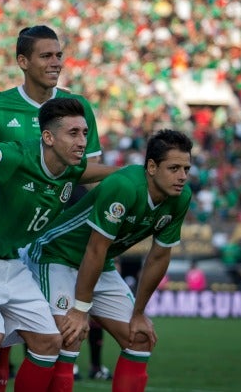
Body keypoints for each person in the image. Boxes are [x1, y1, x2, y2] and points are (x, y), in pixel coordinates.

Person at [0, 97, 117, 392]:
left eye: (84, 133)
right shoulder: (14, 156)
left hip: (10, 261)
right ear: (48, 137)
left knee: (49, 341)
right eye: (73, 133)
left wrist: (136, 174)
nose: (82, 141)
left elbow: (92, 172)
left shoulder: (69, 169)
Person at [0, 24, 104, 390]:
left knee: (59, 336)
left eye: (58, 55)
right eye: (46, 56)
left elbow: (88, 174)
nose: (56, 62)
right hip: (3, 236)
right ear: (23, 61)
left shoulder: (77, 107)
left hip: (53, 241)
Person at [27, 129, 193, 392]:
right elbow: (95, 248)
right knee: (70, 335)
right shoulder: (124, 186)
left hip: (98, 262)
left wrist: (138, 313)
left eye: (186, 168)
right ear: (151, 166)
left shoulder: (180, 197)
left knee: (138, 337)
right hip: (57, 254)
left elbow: (159, 256)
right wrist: (81, 311)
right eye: (174, 168)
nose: (182, 176)